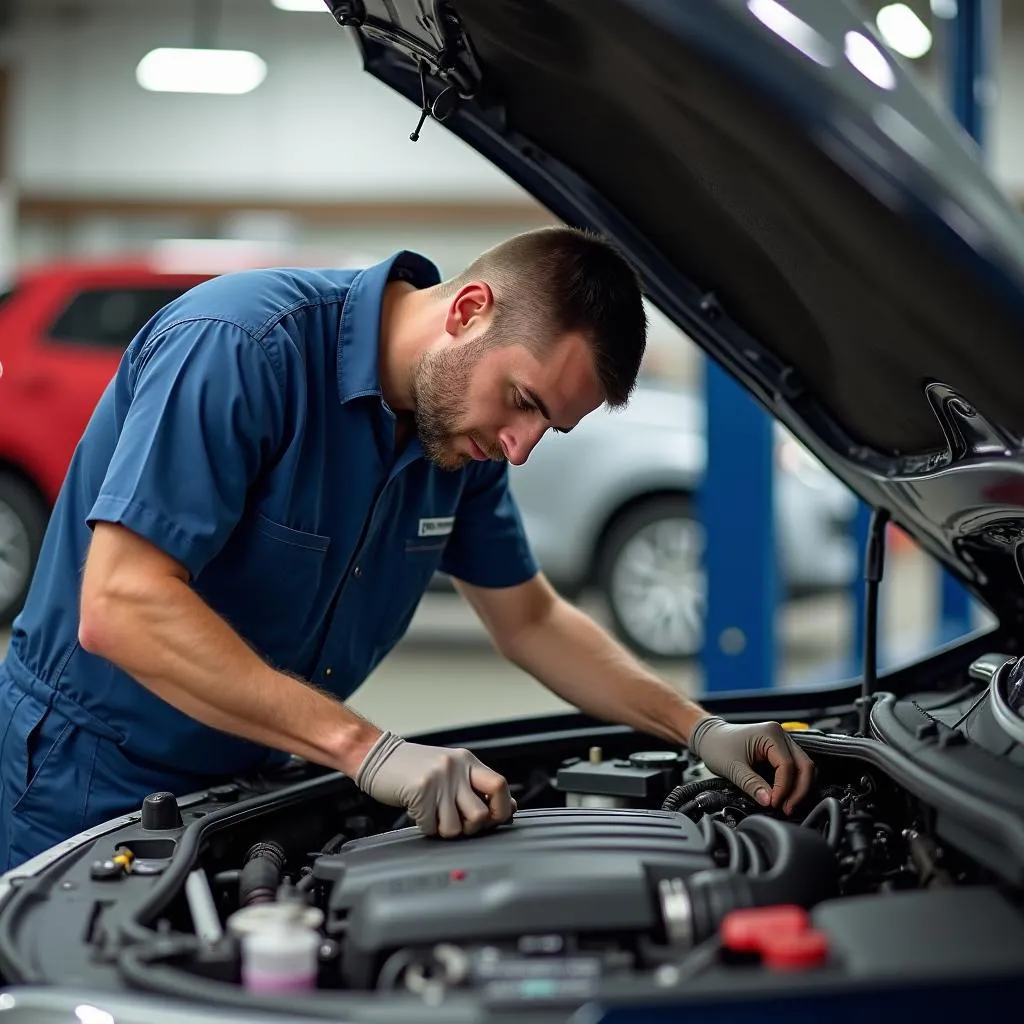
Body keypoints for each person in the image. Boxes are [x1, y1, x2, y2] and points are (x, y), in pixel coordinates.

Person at [0, 227, 813, 871]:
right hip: (86, 780)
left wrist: (698, 731)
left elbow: (530, 620)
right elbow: (121, 605)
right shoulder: (245, 346)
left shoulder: (457, 444)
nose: (521, 446)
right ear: (467, 311)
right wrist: (367, 748)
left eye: (547, 427)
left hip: (248, 783)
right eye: (522, 401)